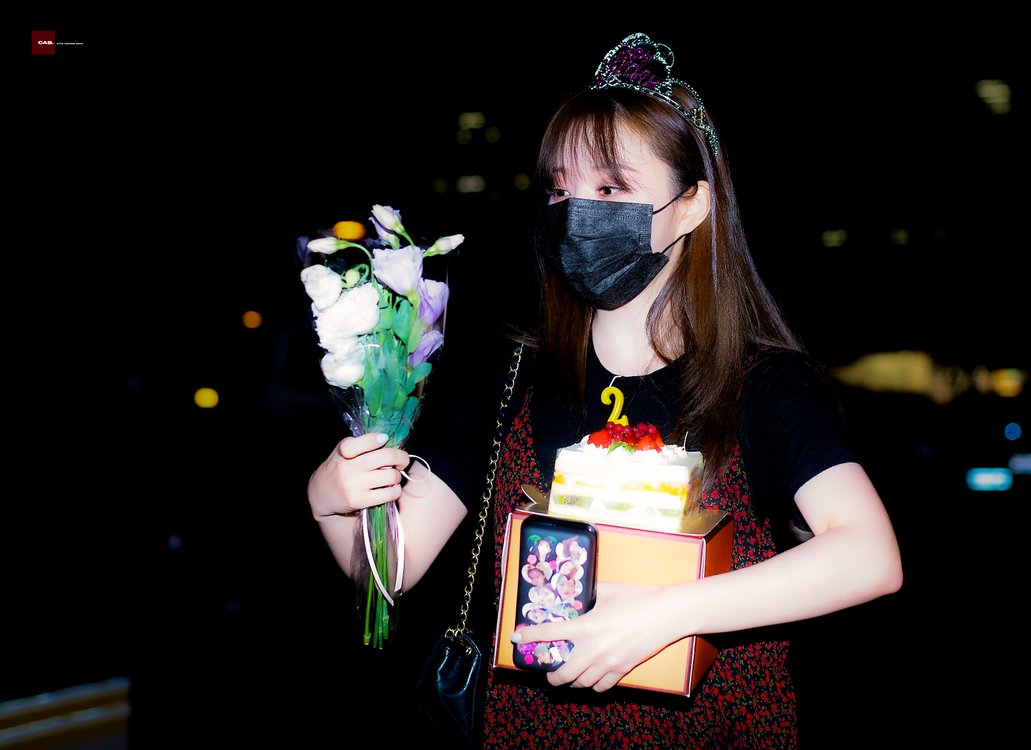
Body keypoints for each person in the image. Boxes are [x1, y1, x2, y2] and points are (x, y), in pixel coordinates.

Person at [306, 31, 903, 748]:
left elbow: (869, 556)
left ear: (690, 207)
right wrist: (332, 502)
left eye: (611, 188)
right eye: (561, 188)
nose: (575, 211)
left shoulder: (762, 383)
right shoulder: (506, 373)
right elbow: (390, 572)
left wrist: (663, 614)